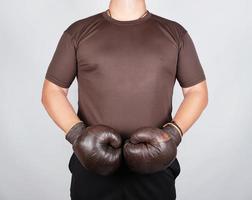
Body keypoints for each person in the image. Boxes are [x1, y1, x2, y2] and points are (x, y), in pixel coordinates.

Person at [41, 0, 208, 199]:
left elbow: (197, 91)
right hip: (92, 168)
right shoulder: (78, 31)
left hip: (155, 169)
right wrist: (78, 135)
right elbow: (53, 90)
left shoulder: (175, 33)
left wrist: (173, 134)